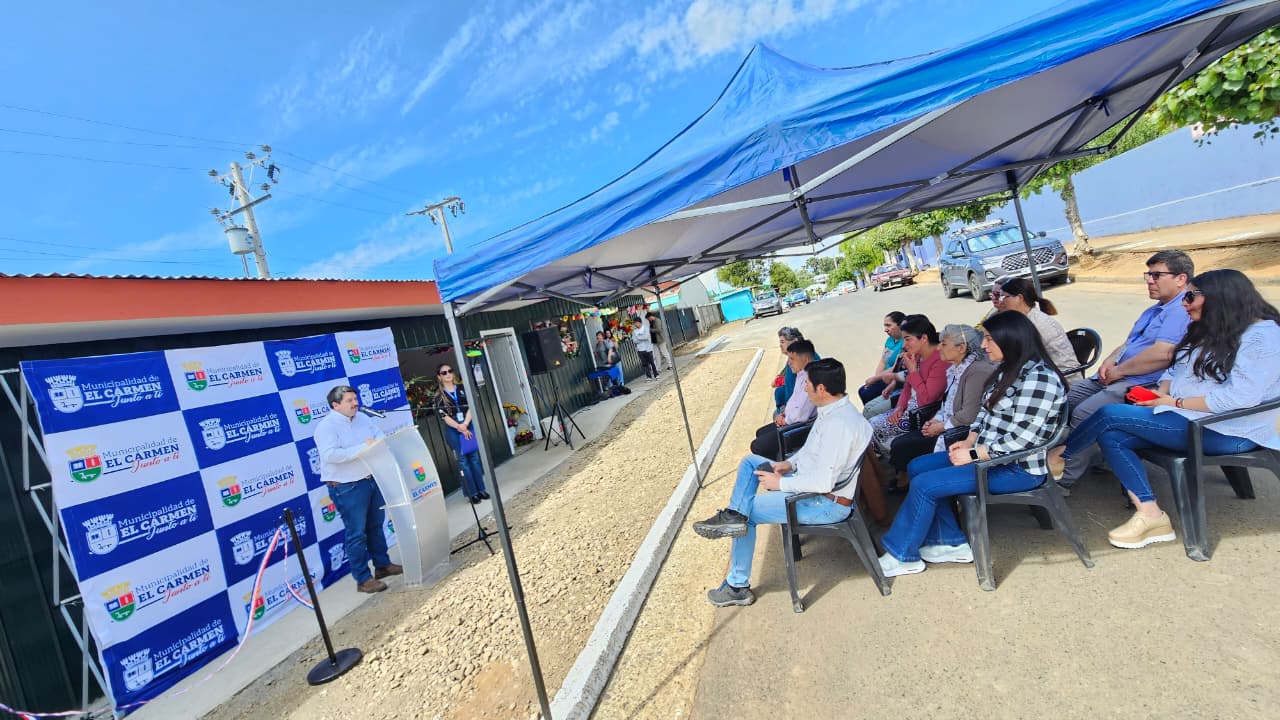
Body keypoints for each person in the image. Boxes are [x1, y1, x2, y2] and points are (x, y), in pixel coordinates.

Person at [1060, 269, 1280, 550]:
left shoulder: (1263, 338)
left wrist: (1172, 403)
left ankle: (1063, 456)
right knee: (1112, 435)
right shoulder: (1216, 328)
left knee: (1109, 414)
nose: (1184, 303)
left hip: (1228, 429)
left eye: (1190, 296)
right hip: (1191, 418)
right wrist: (1163, 391)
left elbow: (1238, 399)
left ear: (1220, 298)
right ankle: (1151, 515)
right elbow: (1177, 367)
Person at [877, 311, 1068, 577]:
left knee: (924, 484)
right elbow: (983, 414)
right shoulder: (1007, 371)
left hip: (1016, 468)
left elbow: (1023, 440)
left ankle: (903, 553)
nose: (984, 345)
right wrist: (968, 440)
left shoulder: (1039, 379)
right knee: (918, 466)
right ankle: (950, 542)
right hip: (989, 457)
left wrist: (974, 453)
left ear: (1011, 340)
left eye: (989, 339)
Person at [692, 358, 872, 606]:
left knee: (750, 513)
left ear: (821, 389)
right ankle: (734, 515)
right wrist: (789, 465)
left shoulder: (839, 425)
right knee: (750, 462)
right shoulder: (834, 410)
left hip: (824, 503)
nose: (804, 388)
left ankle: (737, 586)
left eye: (807, 383)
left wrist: (781, 483)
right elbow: (811, 452)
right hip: (810, 487)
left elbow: (823, 482)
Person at [1054, 250, 1193, 491]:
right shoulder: (1153, 310)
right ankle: (1092, 455)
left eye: (1156, 275)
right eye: (1148, 275)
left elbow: (1163, 354)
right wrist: (1109, 361)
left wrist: (1120, 371)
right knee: (1061, 400)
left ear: (1180, 278)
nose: (1150, 280)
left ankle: (1065, 478)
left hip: (1143, 384)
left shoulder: (1180, 311)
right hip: (1116, 375)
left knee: (1084, 413)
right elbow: (1129, 343)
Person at [313, 385, 403, 593]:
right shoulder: (326, 427)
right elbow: (330, 455)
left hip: (370, 478)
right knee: (356, 533)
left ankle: (382, 566)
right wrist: (364, 447)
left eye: (355, 399)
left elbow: (379, 437)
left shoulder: (362, 418)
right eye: (349, 400)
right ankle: (363, 579)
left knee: (375, 526)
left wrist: (372, 444)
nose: (355, 403)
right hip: (347, 487)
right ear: (335, 405)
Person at [887, 324, 996, 485]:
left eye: (944, 344)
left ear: (961, 348)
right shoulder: (955, 368)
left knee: (903, 446)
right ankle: (909, 479)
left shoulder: (976, 372)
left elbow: (969, 415)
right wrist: (936, 420)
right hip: (947, 423)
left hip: (958, 431)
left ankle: (909, 481)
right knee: (902, 443)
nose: (939, 348)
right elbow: (947, 403)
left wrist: (940, 426)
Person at [868, 314, 947, 458]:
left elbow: (927, 399)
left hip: (924, 414)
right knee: (871, 423)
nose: (904, 345)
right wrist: (899, 407)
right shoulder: (917, 355)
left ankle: (894, 463)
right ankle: (891, 462)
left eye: (908, 339)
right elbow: (908, 387)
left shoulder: (940, 360)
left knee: (874, 425)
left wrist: (912, 371)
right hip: (910, 408)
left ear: (923, 338)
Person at [749, 340, 817, 458]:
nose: (789, 363)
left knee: (757, 446)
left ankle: (777, 468)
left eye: (792, 359)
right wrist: (783, 413)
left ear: (805, 360)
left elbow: (801, 415)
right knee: (760, 432)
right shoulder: (801, 374)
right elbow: (793, 401)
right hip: (789, 421)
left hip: (798, 429)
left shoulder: (811, 381)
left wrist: (785, 420)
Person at [993, 277, 1077, 372]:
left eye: (1004, 297)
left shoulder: (1037, 323)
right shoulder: (1025, 319)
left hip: (1062, 378)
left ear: (1019, 298)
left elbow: (1020, 357)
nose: (1000, 301)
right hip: (1043, 371)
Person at [435, 363, 490, 504]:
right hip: (454, 429)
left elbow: (471, 406)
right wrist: (459, 427)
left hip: (467, 423)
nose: (447, 374)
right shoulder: (439, 396)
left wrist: (465, 424)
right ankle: (472, 493)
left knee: (474, 458)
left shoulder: (462, 389)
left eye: (449, 371)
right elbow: (444, 416)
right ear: (439, 377)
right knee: (463, 462)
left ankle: (481, 489)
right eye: (444, 372)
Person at [860, 311, 907, 406]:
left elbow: (895, 367)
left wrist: (876, 378)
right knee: (862, 390)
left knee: (866, 394)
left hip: (894, 378)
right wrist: (876, 378)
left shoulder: (905, 342)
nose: (885, 329)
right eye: (885, 326)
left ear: (900, 325)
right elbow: (883, 361)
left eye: (889, 325)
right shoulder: (890, 341)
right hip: (884, 376)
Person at [772, 327, 807, 410]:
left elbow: (795, 393)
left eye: (782, 342)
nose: (780, 345)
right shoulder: (794, 356)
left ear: (795, 341)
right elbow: (784, 372)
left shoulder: (799, 359)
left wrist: (786, 414)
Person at [631, 314, 660, 379]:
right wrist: (640, 338)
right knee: (645, 364)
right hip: (640, 349)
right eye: (634, 323)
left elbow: (646, 336)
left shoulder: (645, 328)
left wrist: (638, 337)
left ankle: (656, 374)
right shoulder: (634, 331)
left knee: (652, 362)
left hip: (648, 348)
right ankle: (648, 376)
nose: (635, 324)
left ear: (639, 322)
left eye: (636, 323)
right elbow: (634, 341)